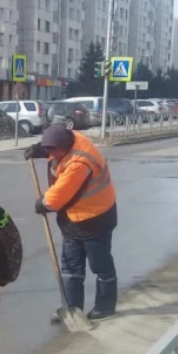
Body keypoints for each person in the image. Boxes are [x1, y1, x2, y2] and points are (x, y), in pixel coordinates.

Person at [26, 123, 118, 321]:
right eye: (48, 150)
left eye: (52, 150)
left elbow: (55, 200)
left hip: (96, 218)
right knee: (70, 266)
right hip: (73, 219)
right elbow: (57, 146)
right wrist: (40, 150)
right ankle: (72, 308)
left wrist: (42, 204)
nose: (51, 155)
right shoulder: (71, 138)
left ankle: (105, 305)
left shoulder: (79, 164)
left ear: (64, 147)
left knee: (100, 265)